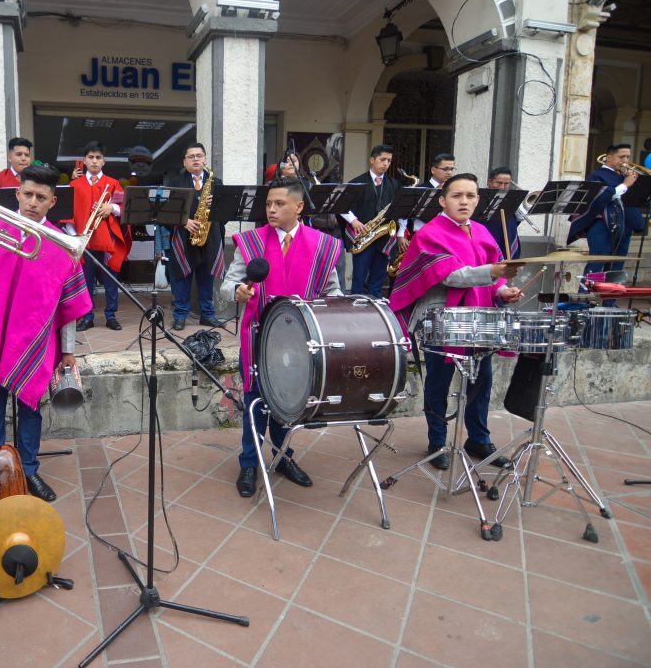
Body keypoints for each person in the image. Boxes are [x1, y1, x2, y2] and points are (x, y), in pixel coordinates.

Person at [0, 164, 92, 519]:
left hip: (35, 346)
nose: (33, 202)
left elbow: (68, 305)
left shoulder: (62, 244)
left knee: (31, 412)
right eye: (28, 194)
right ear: (17, 194)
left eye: (41, 197)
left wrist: (68, 351)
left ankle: (29, 470)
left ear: (52, 202)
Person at [389, 174, 523, 471]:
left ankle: (479, 439)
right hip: (441, 317)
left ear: (478, 200)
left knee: (481, 382)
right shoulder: (429, 234)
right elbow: (450, 276)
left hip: (480, 316)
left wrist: (503, 290)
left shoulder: (482, 231)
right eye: (457, 196)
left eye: (470, 196)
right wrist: (492, 271)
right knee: (439, 382)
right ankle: (437, 442)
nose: (464, 201)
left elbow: (496, 277)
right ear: (442, 200)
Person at [220, 176, 343, 497]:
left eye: (279, 204)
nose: (271, 210)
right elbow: (227, 285)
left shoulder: (323, 245)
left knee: (290, 400)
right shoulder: (251, 242)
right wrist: (238, 291)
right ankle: (250, 463)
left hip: (302, 340)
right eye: (268, 204)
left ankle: (283, 456)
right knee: (255, 401)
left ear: (299, 207)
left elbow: (333, 292)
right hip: (259, 338)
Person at [158, 142, 227, 331]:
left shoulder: (216, 183)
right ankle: (180, 315)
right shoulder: (175, 183)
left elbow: (225, 215)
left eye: (199, 156)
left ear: (205, 159)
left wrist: (216, 205)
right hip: (183, 237)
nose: (195, 159)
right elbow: (164, 213)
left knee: (207, 278)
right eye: (191, 156)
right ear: (184, 162)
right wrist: (184, 221)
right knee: (181, 278)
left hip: (210, 237)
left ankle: (208, 315)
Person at [68, 140, 129, 331]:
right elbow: (67, 215)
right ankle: (87, 316)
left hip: (107, 240)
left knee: (111, 280)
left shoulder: (113, 183)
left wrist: (112, 208)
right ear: (84, 160)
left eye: (98, 157)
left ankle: (111, 316)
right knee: (85, 281)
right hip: (84, 241)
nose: (94, 161)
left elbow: (123, 207)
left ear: (104, 161)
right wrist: (75, 238)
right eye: (91, 157)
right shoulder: (74, 184)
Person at [567, 143, 644, 278]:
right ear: (608, 158)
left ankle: (611, 293)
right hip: (601, 226)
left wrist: (634, 184)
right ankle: (587, 291)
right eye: (621, 157)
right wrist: (625, 184)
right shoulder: (597, 175)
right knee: (597, 263)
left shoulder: (624, 176)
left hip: (624, 226)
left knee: (616, 267)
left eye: (627, 157)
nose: (625, 161)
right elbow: (601, 199)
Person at [341, 144, 401, 298]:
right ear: (372, 160)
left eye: (389, 160)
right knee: (359, 279)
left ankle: (375, 306)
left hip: (384, 237)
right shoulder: (357, 182)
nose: (386, 164)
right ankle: (356, 307)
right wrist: (354, 221)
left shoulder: (394, 184)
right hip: (363, 236)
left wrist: (400, 233)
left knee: (378, 280)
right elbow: (341, 205)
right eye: (382, 159)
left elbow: (401, 210)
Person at [480, 166, 522, 260]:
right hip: (489, 236)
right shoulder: (480, 197)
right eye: (499, 183)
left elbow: (517, 220)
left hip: (506, 237)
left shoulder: (512, 197)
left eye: (506, 184)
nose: (502, 187)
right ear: (489, 182)